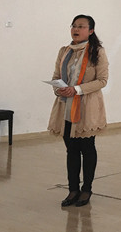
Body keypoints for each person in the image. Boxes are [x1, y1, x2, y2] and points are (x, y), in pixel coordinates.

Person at [48, 15, 109, 207]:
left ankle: (86, 189)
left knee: (87, 149)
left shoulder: (97, 51)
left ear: (90, 31)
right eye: (74, 26)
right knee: (71, 150)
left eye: (81, 26)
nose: (76, 29)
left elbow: (102, 80)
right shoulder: (64, 51)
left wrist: (77, 89)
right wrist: (59, 89)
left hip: (87, 106)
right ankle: (73, 189)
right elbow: (56, 76)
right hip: (65, 106)